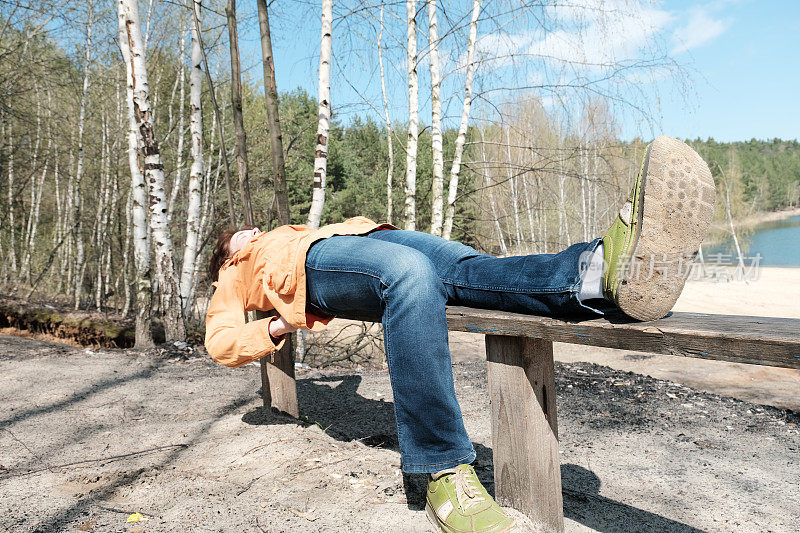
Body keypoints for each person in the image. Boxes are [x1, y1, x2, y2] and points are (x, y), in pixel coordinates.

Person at [204, 136, 715, 533]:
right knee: (408, 275)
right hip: (312, 270)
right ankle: (441, 470)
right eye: (239, 235)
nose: (250, 231)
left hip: (364, 237)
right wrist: (275, 323)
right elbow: (220, 342)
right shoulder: (232, 274)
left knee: (475, 270)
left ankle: (599, 274)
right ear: (228, 254)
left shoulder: (281, 233)